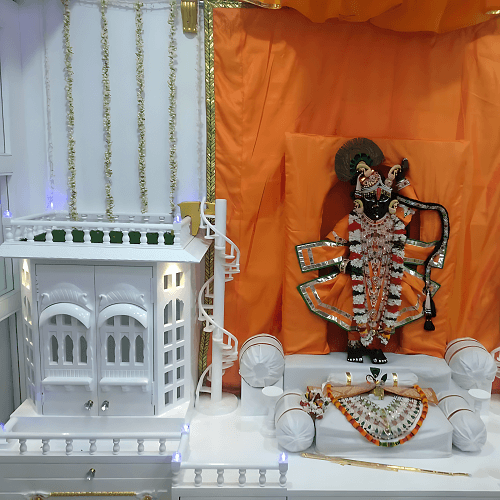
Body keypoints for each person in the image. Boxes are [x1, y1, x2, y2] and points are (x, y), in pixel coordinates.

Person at [296, 138, 449, 364]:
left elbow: (412, 205)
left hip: (388, 274)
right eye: (370, 198)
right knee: (355, 305)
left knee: (385, 307)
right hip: (359, 274)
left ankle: (377, 346)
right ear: (359, 200)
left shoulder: (395, 221)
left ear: (389, 199)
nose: (376, 204)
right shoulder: (351, 221)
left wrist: (400, 180)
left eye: (382, 198)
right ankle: (354, 345)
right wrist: (345, 265)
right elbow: (331, 247)